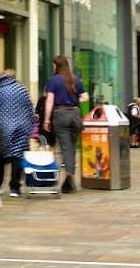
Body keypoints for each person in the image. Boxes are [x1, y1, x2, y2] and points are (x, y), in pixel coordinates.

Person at [42, 55, 87, 193]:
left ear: (57, 65)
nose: (53, 67)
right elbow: (85, 97)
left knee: (66, 147)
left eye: (54, 65)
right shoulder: (75, 79)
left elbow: (49, 101)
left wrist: (46, 120)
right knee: (71, 146)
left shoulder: (53, 81)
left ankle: (69, 177)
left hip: (60, 114)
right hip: (75, 114)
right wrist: (74, 99)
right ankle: (69, 176)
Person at [0, 69, 34, 198]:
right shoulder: (22, 89)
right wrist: (30, 126)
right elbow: (30, 108)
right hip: (22, 127)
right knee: (17, 156)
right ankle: (15, 188)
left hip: (4, 127)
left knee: (0, 157)